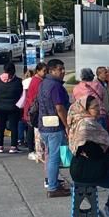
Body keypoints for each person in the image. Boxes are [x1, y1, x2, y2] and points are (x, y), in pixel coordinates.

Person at [33, 59, 71, 197]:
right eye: (60, 69)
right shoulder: (55, 86)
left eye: (63, 68)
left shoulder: (43, 83)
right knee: (54, 157)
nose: (63, 72)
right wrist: (67, 125)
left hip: (44, 125)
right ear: (51, 70)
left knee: (50, 156)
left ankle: (52, 181)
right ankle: (53, 187)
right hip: (54, 127)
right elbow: (59, 107)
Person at [0, 63, 24, 153]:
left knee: (1, 127)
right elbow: (21, 93)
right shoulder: (18, 81)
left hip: (0, 107)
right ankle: (13, 146)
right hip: (13, 107)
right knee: (14, 127)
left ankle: (0, 146)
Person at [19, 62, 46, 156]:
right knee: (31, 129)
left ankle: (33, 149)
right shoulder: (37, 81)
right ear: (38, 71)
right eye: (44, 71)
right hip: (33, 108)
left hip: (32, 107)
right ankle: (31, 150)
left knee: (32, 129)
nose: (45, 73)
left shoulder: (37, 80)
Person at [96, 67, 109, 133]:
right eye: (105, 72)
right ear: (99, 74)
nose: (107, 74)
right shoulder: (96, 85)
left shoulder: (107, 83)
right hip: (102, 113)